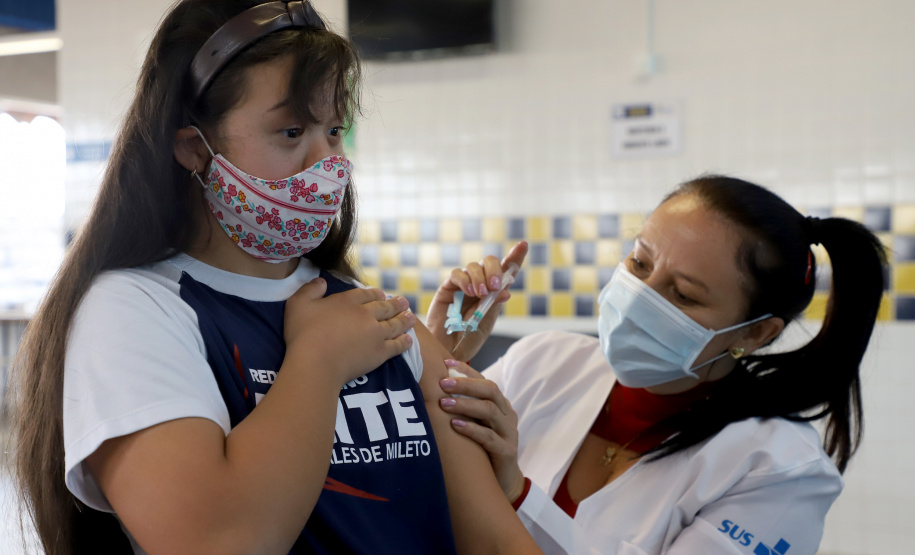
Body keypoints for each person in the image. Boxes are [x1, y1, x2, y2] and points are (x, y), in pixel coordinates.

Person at [6, 1, 539, 553]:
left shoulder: (367, 312)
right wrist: (317, 362)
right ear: (194, 149)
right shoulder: (136, 310)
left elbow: (497, 543)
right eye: (290, 132)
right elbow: (218, 541)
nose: (326, 164)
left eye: (334, 131)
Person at [428, 175, 888, 554]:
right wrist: (439, 359)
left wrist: (518, 495)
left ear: (754, 332)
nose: (640, 297)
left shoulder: (776, 468)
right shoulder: (543, 361)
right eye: (640, 263)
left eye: (684, 295)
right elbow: (413, 486)